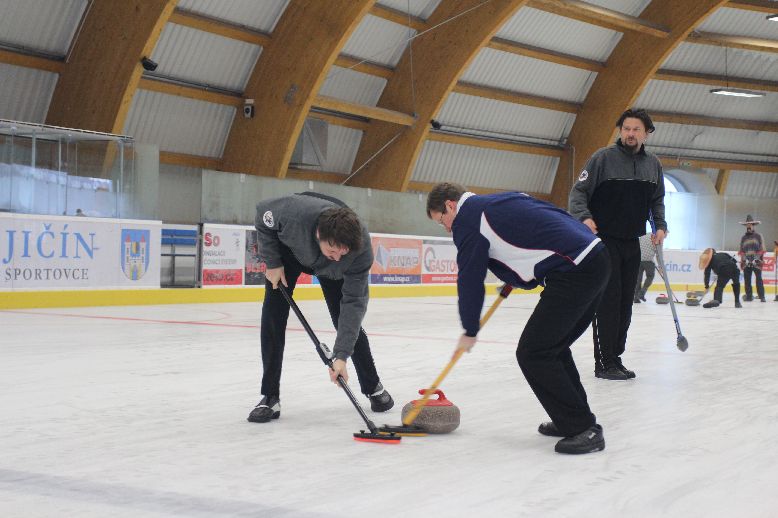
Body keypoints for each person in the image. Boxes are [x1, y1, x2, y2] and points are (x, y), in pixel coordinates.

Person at [427, 183, 610, 454]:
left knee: (534, 352)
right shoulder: (499, 201)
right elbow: (539, 222)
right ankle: (570, 419)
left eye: (441, 221)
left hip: (575, 270)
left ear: (450, 206)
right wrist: (515, 276)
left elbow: (470, 279)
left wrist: (469, 328)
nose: (446, 228)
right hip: (594, 257)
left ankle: (583, 428)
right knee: (553, 347)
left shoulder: (467, 220)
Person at [247, 192, 393, 423]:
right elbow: (262, 213)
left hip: (330, 272)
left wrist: (341, 356)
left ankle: (372, 385)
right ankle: (270, 397)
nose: (337, 257)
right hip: (288, 252)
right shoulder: (293, 213)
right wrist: (272, 262)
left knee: (344, 319)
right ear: (318, 235)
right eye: (333, 250)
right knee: (273, 316)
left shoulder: (359, 251)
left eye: (342, 253)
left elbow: (353, 305)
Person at [569, 108, 667, 381]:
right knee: (608, 302)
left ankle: (615, 357)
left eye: (636, 129)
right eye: (626, 129)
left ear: (647, 133)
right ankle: (604, 363)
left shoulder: (653, 165)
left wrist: (660, 226)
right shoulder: (602, 158)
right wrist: (584, 217)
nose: (630, 134)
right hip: (604, 242)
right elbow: (578, 193)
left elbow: (657, 200)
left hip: (632, 242)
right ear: (620, 131)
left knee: (625, 304)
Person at [738, 215, 766, 303]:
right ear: (746, 226)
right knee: (747, 280)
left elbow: (762, 249)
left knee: (759, 279)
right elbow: (741, 250)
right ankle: (749, 296)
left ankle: (762, 296)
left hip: (757, 262)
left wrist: (755, 259)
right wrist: (745, 259)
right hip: (746, 262)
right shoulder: (743, 238)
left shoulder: (758, 236)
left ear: (753, 225)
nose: (749, 226)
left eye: (750, 224)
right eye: (747, 224)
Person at [633, 233, 657, 303]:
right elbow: (659, 253)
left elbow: (637, 246)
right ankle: (641, 293)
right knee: (650, 276)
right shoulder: (657, 237)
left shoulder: (643, 236)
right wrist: (661, 266)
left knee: (638, 279)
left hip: (639, 260)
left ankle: (636, 298)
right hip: (649, 261)